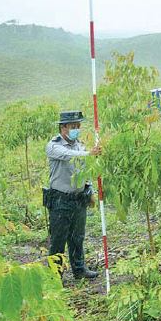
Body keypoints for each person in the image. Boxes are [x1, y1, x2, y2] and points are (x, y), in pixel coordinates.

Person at [45, 111, 101, 279]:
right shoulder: (54, 146)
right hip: (60, 200)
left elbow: (84, 169)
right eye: (73, 126)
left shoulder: (79, 145)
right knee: (58, 240)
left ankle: (79, 269)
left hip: (79, 199)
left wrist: (89, 189)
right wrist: (88, 153)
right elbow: (67, 155)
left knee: (77, 237)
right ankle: (55, 276)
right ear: (63, 128)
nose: (76, 129)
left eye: (78, 126)